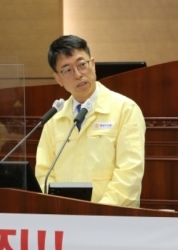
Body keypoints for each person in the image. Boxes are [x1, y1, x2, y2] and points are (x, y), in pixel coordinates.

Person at [35, 35, 146, 207]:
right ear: (58, 79)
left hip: (112, 216)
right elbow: (44, 174)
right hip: (64, 216)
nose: (78, 75)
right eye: (67, 70)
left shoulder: (125, 109)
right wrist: (58, 208)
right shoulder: (54, 118)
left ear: (92, 64)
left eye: (82, 65)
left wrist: (98, 212)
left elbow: (129, 173)